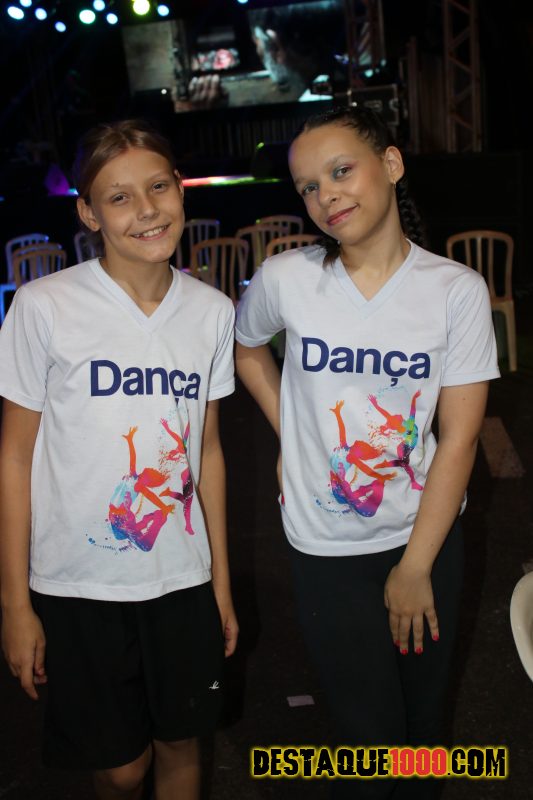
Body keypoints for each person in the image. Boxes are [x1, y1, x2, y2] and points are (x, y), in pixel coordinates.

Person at [235, 106, 499, 798]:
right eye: (308, 186)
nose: (326, 196)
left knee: (424, 729)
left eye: (340, 171)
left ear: (391, 163)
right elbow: (247, 348)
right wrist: (290, 431)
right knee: (369, 738)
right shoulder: (286, 278)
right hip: (325, 548)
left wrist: (415, 566)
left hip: (425, 539)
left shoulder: (455, 291)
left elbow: (460, 437)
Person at [0, 119, 238, 800]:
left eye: (158, 187)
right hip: (79, 585)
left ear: (180, 190)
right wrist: (15, 604)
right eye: (119, 197)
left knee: (182, 743)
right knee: (121, 768)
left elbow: (207, 451)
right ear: (88, 213)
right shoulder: (44, 307)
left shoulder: (211, 312)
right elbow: (14, 458)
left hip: (181, 578)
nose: (146, 210)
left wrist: (219, 583)